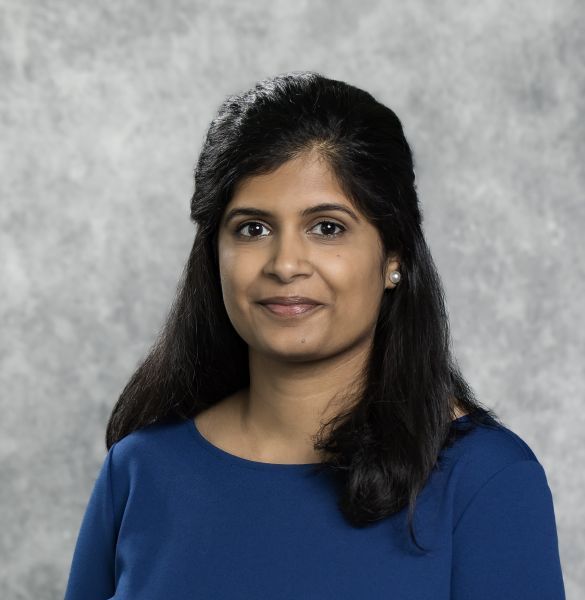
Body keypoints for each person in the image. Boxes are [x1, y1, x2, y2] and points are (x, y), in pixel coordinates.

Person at [64, 71, 566, 599]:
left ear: (394, 256)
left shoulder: (487, 481)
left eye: (327, 227)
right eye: (252, 228)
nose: (285, 264)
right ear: (215, 254)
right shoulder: (141, 471)